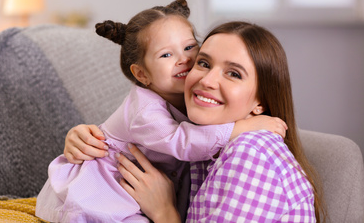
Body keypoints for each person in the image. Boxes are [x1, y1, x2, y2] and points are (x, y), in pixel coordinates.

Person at [35, 0, 287, 223]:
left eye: (190, 48)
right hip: (103, 191)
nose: (184, 60)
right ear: (142, 74)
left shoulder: (202, 108)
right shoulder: (145, 107)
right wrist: (239, 127)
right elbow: (180, 142)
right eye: (166, 54)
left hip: (137, 197)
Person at [115, 21, 326, 222]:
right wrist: (88, 138)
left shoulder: (250, 153)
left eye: (233, 73)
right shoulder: (204, 146)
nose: (206, 81)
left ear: (260, 102)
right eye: (204, 63)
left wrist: (164, 212)